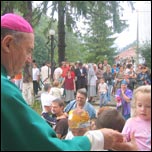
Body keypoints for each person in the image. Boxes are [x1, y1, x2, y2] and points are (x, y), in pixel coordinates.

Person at [1, 13, 125, 151]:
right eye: (28, 50)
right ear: (8, 44)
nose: (29, 59)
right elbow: (45, 146)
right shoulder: (4, 89)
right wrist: (97, 139)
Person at [122, 85, 151, 151]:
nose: (143, 109)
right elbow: (123, 140)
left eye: (148, 106)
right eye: (140, 105)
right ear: (135, 105)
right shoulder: (130, 122)